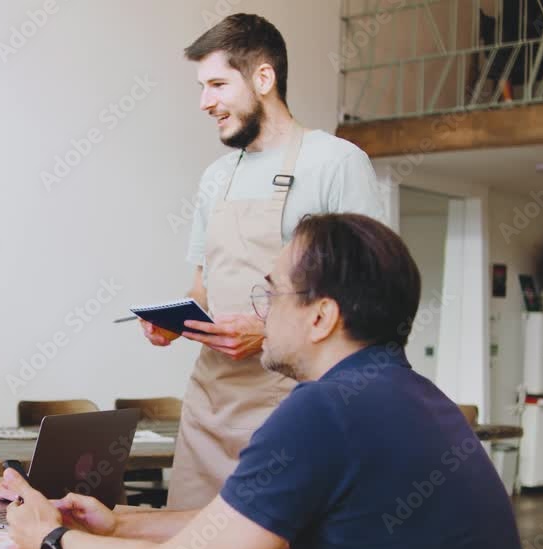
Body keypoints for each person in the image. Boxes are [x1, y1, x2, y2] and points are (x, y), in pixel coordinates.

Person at [4, 213, 524, 549]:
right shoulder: (414, 397)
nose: (261, 311)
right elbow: (238, 524)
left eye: (271, 294)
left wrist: (50, 539)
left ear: (321, 316)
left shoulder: (325, 410)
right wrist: (120, 524)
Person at [141, 13, 386, 510]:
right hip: (210, 403)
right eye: (201, 87)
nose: (205, 102)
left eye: (216, 84)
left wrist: (267, 330)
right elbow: (203, 285)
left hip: (291, 400)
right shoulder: (216, 177)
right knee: (186, 538)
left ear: (264, 78)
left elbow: (370, 293)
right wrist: (175, 320)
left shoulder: (336, 163)